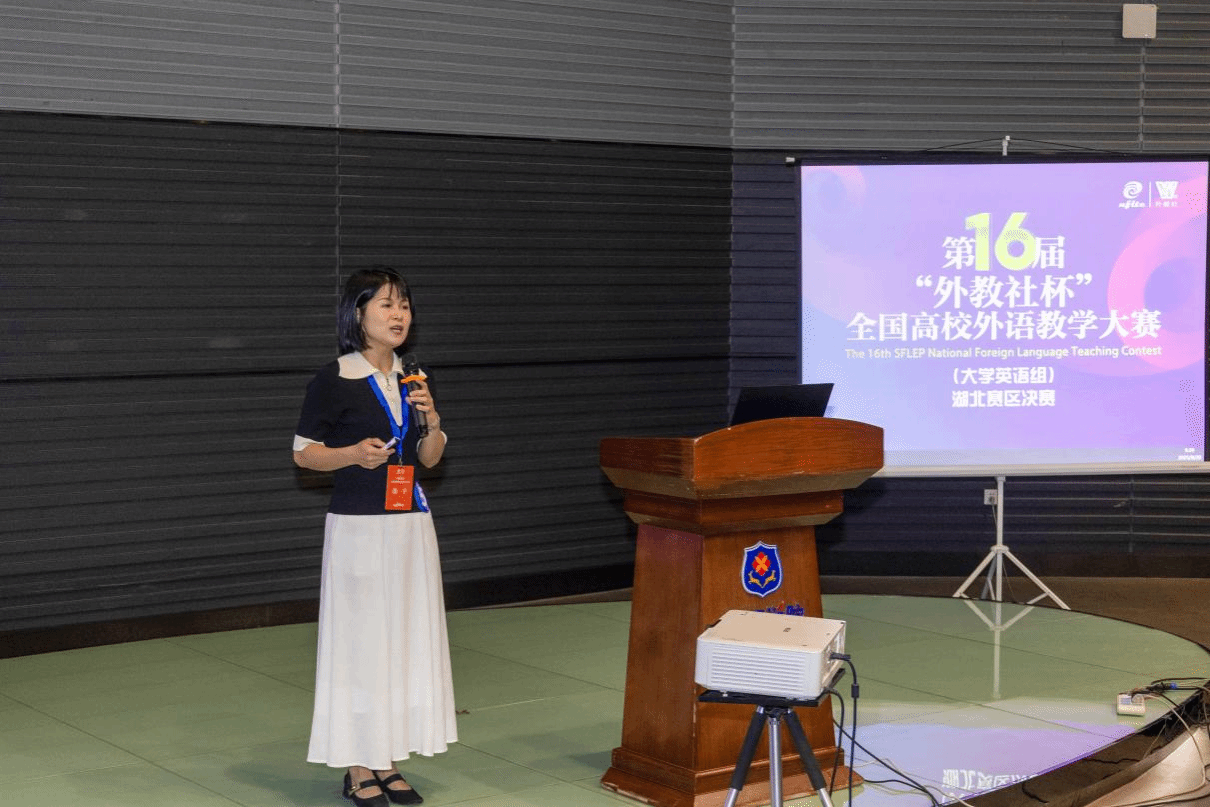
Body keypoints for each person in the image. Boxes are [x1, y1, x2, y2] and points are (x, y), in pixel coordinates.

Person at [293, 266, 456, 807]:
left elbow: (429, 459)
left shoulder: (415, 379)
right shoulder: (335, 377)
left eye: (404, 304)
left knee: (402, 642)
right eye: (386, 304)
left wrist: (432, 421)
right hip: (359, 528)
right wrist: (351, 455)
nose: (398, 314)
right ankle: (358, 765)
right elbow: (303, 454)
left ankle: (388, 759)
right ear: (357, 314)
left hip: (411, 525)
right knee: (361, 644)